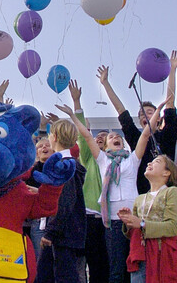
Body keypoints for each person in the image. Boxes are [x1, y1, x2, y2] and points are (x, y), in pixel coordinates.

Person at [57, 98, 165, 283]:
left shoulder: (132, 159)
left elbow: (145, 135)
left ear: (123, 144)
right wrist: (72, 116)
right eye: (111, 137)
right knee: (116, 269)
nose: (115, 138)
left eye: (118, 137)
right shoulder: (102, 160)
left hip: (135, 220)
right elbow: (87, 137)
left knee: (138, 266)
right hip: (113, 223)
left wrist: (158, 110)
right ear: (106, 146)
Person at [97, 51, 177, 194]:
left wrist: (172, 70)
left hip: (168, 193)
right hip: (143, 195)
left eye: (150, 112)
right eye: (141, 114)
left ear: (158, 118)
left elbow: (170, 102)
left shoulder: (167, 135)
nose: (145, 115)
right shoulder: (136, 138)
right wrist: (105, 83)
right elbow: (121, 110)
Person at [35, 118, 87, 283]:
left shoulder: (65, 166)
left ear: (55, 136)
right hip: (64, 232)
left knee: (63, 277)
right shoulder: (69, 164)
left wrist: (51, 232)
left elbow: (65, 201)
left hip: (62, 234)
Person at [68, 80, 110, 282]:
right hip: (87, 220)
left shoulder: (119, 164)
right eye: (98, 136)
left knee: (101, 268)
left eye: (105, 137)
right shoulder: (89, 159)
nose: (100, 138)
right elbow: (84, 137)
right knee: (78, 269)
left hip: (109, 222)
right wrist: (77, 103)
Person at [118, 154, 177, 282]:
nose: (149, 164)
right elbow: (134, 231)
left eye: (157, 161)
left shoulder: (172, 192)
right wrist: (128, 222)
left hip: (162, 255)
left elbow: (173, 227)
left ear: (166, 173)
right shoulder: (140, 198)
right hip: (140, 254)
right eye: (150, 161)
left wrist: (142, 224)